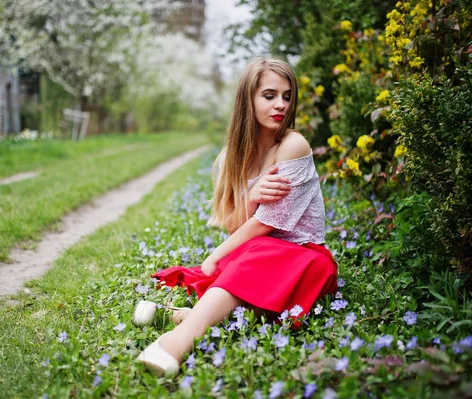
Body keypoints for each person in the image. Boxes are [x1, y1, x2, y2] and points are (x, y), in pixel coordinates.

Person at [137, 57, 338, 376]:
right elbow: (233, 224)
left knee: (245, 268)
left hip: (304, 257)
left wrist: (216, 254)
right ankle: (179, 315)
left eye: (287, 96)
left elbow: (267, 224)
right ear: (249, 99)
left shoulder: (293, 145)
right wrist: (252, 195)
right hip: (260, 250)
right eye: (269, 95)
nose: (281, 105)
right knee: (245, 273)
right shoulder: (237, 155)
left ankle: (175, 343)